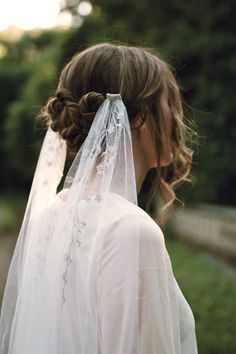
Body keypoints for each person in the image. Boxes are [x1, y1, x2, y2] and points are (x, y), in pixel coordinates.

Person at [0, 43, 198, 353]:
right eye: (168, 103)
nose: (177, 116)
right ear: (140, 118)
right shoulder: (133, 232)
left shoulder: (53, 212)